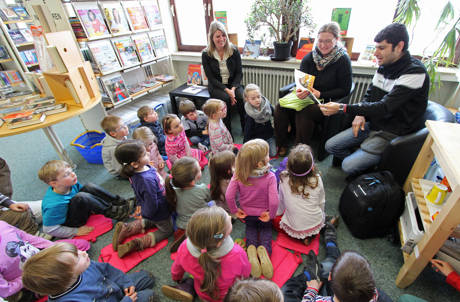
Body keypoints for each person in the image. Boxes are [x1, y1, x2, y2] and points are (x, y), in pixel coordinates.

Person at [321, 23, 429, 177]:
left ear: (399, 46)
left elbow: (385, 107)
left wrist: (341, 107)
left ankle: (369, 163)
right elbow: (370, 95)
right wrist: (361, 114)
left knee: (347, 166)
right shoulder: (384, 65)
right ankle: (366, 159)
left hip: (393, 132)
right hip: (373, 124)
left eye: (382, 48)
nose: (376, 53)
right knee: (330, 146)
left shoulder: (415, 72)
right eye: (376, 47)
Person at [274, 22, 352, 157]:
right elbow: (302, 81)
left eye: (328, 41)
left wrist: (321, 93)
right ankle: (281, 143)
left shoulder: (343, 60)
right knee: (280, 105)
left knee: (305, 111)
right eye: (320, 41)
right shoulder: (310, 57)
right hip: (307, 96)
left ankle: (299, 153)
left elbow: (345, 89)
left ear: (337, 40)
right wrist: (300, 90)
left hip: (327, 101)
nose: (323, 45)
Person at [282, 221, 392, 302]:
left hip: (323, 292)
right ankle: (330, 244)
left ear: (330, 277)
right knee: (336, 268)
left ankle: (309, 274)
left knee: (286, 292)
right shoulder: (374, 295)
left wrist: (311, 290)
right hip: (350, 295)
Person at [162, 206, 251, 302]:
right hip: (227, 297)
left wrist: (176, 277)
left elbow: (177, 267)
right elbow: (245, 274)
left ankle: (186, 287)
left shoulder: (184, 247)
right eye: (228, 219)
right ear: (219, 242)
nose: (229, 217)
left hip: (202, 294)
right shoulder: (238, 254)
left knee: (195, 277)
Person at [22, 242, 156, 301]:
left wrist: (125, 282)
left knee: (147, 277)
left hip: (114, 290)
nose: (84, 253)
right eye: (77, 257)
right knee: (150, 295)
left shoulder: (84, 266)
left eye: (77, 251)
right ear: (66, 277)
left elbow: (108, 270)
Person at [38, 160, 132, 239]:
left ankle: (120, 202)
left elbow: (87, 193)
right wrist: (75, 231)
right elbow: (48, 229)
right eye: (66, 174)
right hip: (72, 223)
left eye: (71, 171)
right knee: (81, 197)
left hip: (77, 210)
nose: (73, 175)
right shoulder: (54, 205)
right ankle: (116, 213)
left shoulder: (70, 183)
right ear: (54, 183)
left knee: (88, 186)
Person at [225, 139, 278, 278]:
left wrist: (235, 211)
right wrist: (271, 215)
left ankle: (251, 251)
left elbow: (229, 196)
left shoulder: (238, 174)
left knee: (251, 230)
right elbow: (274, 201)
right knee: (266, 231)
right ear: (260, 163)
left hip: (248, 213)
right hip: (264, 213)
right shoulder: (270, 176)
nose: (268, 156)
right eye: (266, 154)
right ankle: (265, 252)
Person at [0, 221, 89, 302]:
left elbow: (29, 238)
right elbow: (6, 290)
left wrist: (54, 248)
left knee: (82, 245)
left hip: (41, 258)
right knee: (67, 278)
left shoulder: (2, 226)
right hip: (30, 283)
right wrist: (29, 276)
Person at [113, 140, 173, 258]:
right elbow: (152, 203)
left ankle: (128, 228)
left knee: (154, 220)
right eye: (144, 154)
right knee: (167, 229)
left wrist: (142, 208)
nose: (148, 152)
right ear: (135, 163)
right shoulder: (146, 180)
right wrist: (146, 213)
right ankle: (137, 243)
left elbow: (139, 192)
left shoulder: (138, 170)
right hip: (158, 208)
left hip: (150, 208)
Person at [275, 144, 325, 246]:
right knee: (317, 214)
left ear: (288, 166)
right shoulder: (317, 179)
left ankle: (303, 236)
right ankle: (310, 236)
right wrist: (322, 216)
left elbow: (281, 204)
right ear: (312, 167)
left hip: (294, 227)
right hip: (314, 222)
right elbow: (321, 202)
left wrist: (276, 214)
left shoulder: (283, 179)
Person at [202, 21, 245, 133]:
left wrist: (233, 89)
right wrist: (227, 91)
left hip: (233, 85)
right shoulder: (206, 54)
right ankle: (227, 132)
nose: (221, 39)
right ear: (211, 38)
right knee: (224, 100)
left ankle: (246, 130)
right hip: (217, 86)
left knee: (241, 97)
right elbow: (211, 78)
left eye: (223, 35)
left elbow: (239, 73)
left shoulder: (233, 50)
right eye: (217, 36)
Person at [165, 157, 210, 253]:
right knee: (213, 205)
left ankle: (187, 238)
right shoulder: (202, 189)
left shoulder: (173, 191)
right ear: (194, 178)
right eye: (199, 169)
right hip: (200, 223)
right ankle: (196, 240)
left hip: (181, 224)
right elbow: (209, 198)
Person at [243, 84, 276, 157]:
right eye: (253, 98)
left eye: (258, 97)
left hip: (269, 135)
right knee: (259, 155)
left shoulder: (266, 105)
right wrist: (245, 146)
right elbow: (247, 131)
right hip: (257, 138)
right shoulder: (249, 114)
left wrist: (287, 124)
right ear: (247, 99)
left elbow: (275, 113)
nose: (257, 100)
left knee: (272, 153)